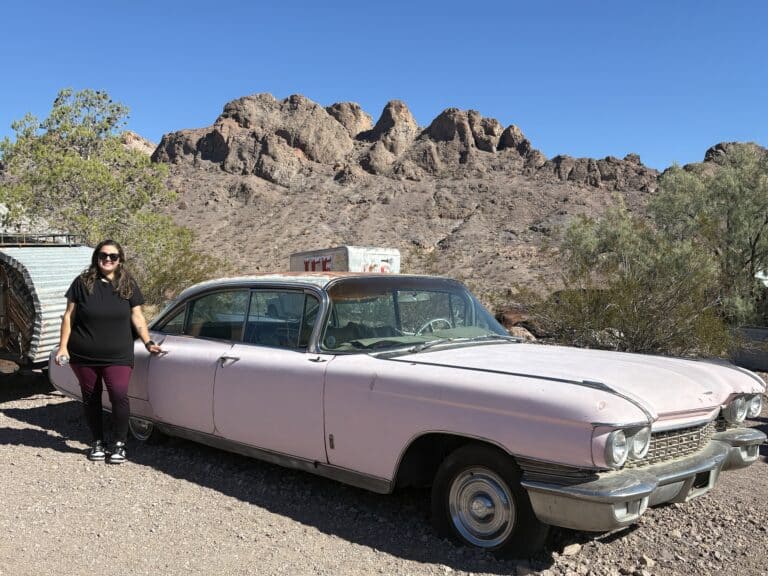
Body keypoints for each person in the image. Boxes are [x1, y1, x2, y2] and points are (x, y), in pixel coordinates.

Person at [55, 239, 162, 464]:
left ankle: (119, 443)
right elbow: (69, 316)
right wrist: (63, 346)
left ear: (120, 260)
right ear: (97, 257)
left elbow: (137, 315)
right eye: (103, 255)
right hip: (83, 354)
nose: (108, 259)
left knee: (119, 395)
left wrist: (148, 341)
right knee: (91, 398)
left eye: (113, 256)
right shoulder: (82, 283)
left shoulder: (127, 284)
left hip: (118, 354)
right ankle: (97, 442)